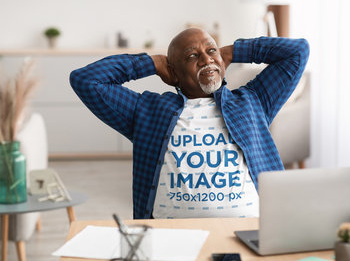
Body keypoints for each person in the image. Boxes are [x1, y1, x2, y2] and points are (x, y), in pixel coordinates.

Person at [70, 28, 309, 219]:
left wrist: (233, 52)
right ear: (173, 73)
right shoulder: (147, 112)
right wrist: (151, 63)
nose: (206, 59)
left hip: (249, 232)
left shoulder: (252, 101)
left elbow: (298, 51)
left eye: (211, 51)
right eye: (192, 55)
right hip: (173, 239)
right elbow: (86, 80)